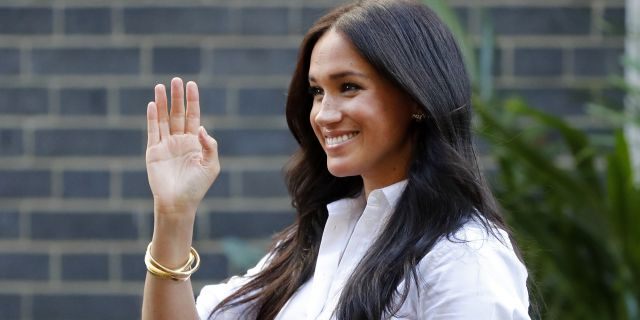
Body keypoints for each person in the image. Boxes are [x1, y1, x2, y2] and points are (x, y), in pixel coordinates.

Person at [141, 0, 531, 319]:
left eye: (348, 87)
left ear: (415, 97)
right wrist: (174, 214)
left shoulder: (464, 257)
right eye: (316, 91)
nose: (324, 114)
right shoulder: (312, 245)